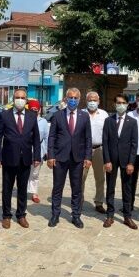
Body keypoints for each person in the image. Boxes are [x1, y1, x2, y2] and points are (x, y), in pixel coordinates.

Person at [0, 89, 41, 228]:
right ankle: (6, 216)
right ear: (13, 99)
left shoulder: (32, 115)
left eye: (22, 97)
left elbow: (36, 138)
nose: (20, 100)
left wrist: (37, 156)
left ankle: (21, 215)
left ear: (26, 100)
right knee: (7, 188)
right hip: (8, 158)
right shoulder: (4, 115)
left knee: (22, 189)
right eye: (17, 97)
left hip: (25, 158)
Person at [47, 88, 92, 229]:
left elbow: (88, 138)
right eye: (70, 97)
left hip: (78, 158)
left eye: (75, 98)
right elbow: (52, 137)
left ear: (79, 99)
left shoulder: (84, 116)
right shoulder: (57, 115)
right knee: (57, 187)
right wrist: (50, 155)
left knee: (76, 188)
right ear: (65, 99)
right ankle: (55, 214)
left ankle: (76, 215)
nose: (73, 100)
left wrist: (88, 157)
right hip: (60, 157)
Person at [102, 94, 138, 228]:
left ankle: (127, 216)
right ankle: (110, 215)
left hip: (126, 161)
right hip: (111, 161)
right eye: (118, 103)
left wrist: (131, 163)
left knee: (127, 189)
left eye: (123, 103)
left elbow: (134, 144)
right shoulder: (108, 121)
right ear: (114, 104)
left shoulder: (132, 122)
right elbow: (105, 141)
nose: (121, 105)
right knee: (110, 188)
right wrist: (107, 160)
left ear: (127, 105)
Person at [81, 91, 108, 214]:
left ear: (99, 101)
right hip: (83, 150)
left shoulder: (104, 115)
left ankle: (99, 202)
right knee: (81, 177)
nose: (92, 102)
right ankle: (79, 201)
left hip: (99, 149)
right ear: (86, 101)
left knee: (100, 178)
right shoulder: (81, 114)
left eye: (94, 100)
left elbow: (107, 133)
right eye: (90, 100)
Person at [27, 100, 50, 203]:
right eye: (32, 109)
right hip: (26, 149)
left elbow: (47, 137)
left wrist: (47, 151)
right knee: (24, 172)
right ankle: (23, 190)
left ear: (39, 110)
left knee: (35, 173)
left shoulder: (43, 122)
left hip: (39, 150)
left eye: (36, 109)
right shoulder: (25, 119)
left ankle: (34, 193)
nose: (34, 111)